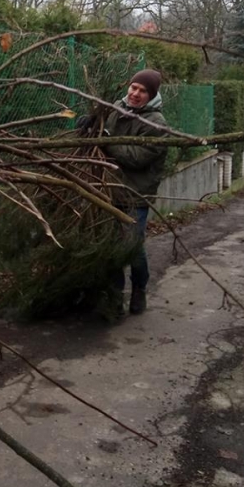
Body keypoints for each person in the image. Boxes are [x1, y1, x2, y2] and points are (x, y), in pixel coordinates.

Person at [78, 69, 168, 317]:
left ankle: (139, 288)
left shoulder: (157, 124)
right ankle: (115, 296)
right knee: (109, 246)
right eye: (134, 87)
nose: (135, 94)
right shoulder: (116, 108)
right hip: (107, 189)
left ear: (152, 95)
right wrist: (89, 125)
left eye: (143, 91)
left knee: (131, 246)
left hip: (134, 194)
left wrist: (107, 140)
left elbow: (136, 158)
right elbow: (99, 133)